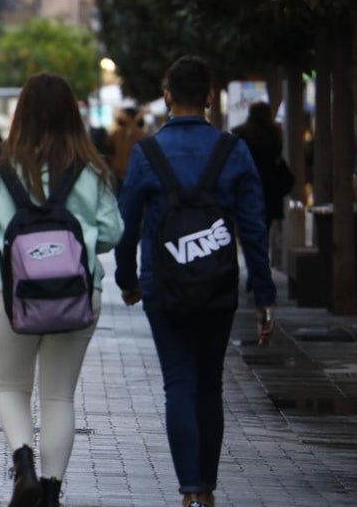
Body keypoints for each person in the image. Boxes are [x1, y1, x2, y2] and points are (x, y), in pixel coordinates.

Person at [115, 56, 276, 507]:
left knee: (179, 383)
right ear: (209, 97)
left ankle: (189, 490)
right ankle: (206, 487)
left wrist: (128, 279)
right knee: (210, 384)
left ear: (167, 96)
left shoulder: (147, 154)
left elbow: (126, 228)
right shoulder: (233, 150)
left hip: (162, 286)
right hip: (218, 282)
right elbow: (254, 226)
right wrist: (263, 294)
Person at [0, 72, 123, 507]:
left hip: (15, 297)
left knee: (12, 388)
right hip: (79, 295)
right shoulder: (90, 166)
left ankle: (24, 466)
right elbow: (111, 231)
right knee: (58, 395)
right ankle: (51, 490)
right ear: (72, 113)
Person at [232, 101, 294, 229]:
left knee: (247, 229)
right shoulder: (273, 135)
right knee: (264, 228)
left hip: (246, 189)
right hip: (269, 191)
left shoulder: (239, 135)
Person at [107, 106, 144, 191]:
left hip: (134, 175)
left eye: (123, 115)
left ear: (130, 117)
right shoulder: (116, 134)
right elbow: (109, 149)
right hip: (118, 175)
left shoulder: (141, 135)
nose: (120, 117)